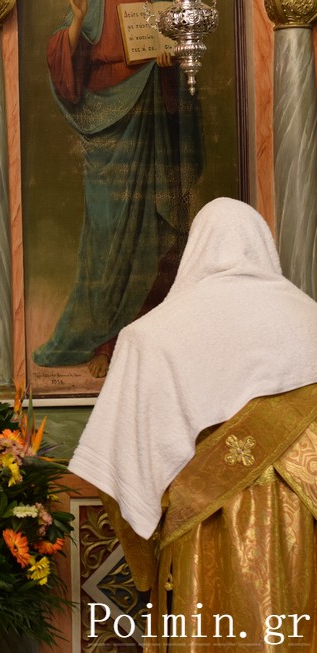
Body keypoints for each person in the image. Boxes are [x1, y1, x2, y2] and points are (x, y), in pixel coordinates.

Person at [69, 198, 317, 650]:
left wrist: (145, 560)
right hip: (302, 520)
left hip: (208, 526)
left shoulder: (152, 334)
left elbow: (121, 460)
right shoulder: (310, 319)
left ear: (196, 248)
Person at [33, 0, 203, 378]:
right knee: (107, 237)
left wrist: (168, 65)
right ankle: (102, 341)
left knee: (151, 235)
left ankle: (137, 343)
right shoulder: (95, 4)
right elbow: (62, 58)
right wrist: (78, 21)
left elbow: (188, 69)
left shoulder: (162, 6)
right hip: (106, 131)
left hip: (150, 124)